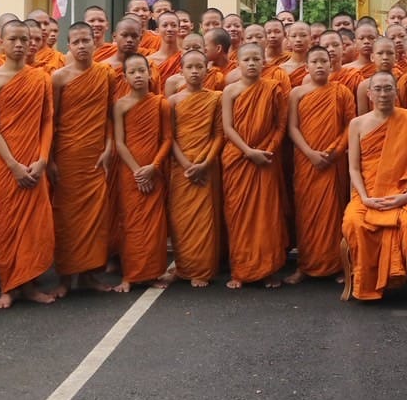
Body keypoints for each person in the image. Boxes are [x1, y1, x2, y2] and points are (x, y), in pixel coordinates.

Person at [0, 21, 58, 309]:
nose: (20, 44)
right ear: (0, 41)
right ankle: (9, 286)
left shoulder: (41, 78)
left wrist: (43, 159)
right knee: (7, 223)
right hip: (5, 164)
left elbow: (47, 121)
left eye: (24, 39)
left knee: (34, 226)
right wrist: (12, 164)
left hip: (35, 160)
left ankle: (30, 285)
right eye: (13, 39)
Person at [340, 71, 407, 301]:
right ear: (369, 94)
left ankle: (396, 275)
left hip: (403, 195)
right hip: (367, 195)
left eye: (388, 88)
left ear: (396, 92)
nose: (383, 94)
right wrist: (364, 197)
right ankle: (366, 281)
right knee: (353, 223)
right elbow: (354, 168)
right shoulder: (357, 124)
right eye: (378, 89)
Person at [50, 22, 117, 296]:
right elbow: (51, 120)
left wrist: (110, 146)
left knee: (95, 217)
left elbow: (110, 114)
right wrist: (50, 158)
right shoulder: (59, 78)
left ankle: (90, 275)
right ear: (68, 45)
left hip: (95, 155)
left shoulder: (106, 73)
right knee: (66, 217)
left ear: (94, 42)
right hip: (67, 156)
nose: (81, 46)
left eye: (85, 40)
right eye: (76, 42)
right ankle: (65, 278)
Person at [221, 43, 288, 289]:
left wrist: (267, 150)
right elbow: (227, 127)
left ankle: (267, 270)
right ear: (237, 63)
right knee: (238, 215)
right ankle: (240, 271)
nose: (251, 63)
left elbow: (280, 125)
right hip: (238, 159)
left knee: (266, 216)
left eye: (256, 59)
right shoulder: (230, 91)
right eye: (246, 59)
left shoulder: (273, 88)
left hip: (266, 158)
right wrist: (248, 151)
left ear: (264, 62)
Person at [286, 46, 352, 285]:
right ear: (306, 67)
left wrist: (334, 152)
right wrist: (310, 153)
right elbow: (292, 127)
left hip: (333, 161)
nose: (320, 65)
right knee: (307, 214)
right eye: (314, 62)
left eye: (324, 61)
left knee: (334, 213)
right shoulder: (297, 93)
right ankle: (305, 265)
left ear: (331, 65)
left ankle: (338, 265)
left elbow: (350, 125)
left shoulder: (342, 92)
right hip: (307, 161)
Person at [113, 52, 172, 291]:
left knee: (154, 225)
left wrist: (153, 167)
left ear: (150, 74)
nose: (138, 75)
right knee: (132, 224)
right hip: (130, 171)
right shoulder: (120, 105)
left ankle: (153, 273)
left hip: (154, 170)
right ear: (125, 77)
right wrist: (138, 171)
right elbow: (119, 142)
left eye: (142, 71)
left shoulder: (160, 103)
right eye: (132, 72)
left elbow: (167, 139)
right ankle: (130, 275)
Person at [167, 50, 223, 287]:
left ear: (207, 70)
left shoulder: (216, 98)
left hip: (206, 166)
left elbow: (218, 135)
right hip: (181, 168)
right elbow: (169, 137)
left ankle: (202, 269)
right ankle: (183, 267)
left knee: (203, 219)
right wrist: (187, 164)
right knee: (181, 219)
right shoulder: (172, 101)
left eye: (199, 67)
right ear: (181, 71)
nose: (195, 71)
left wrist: (204, 163)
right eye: (189, 67)